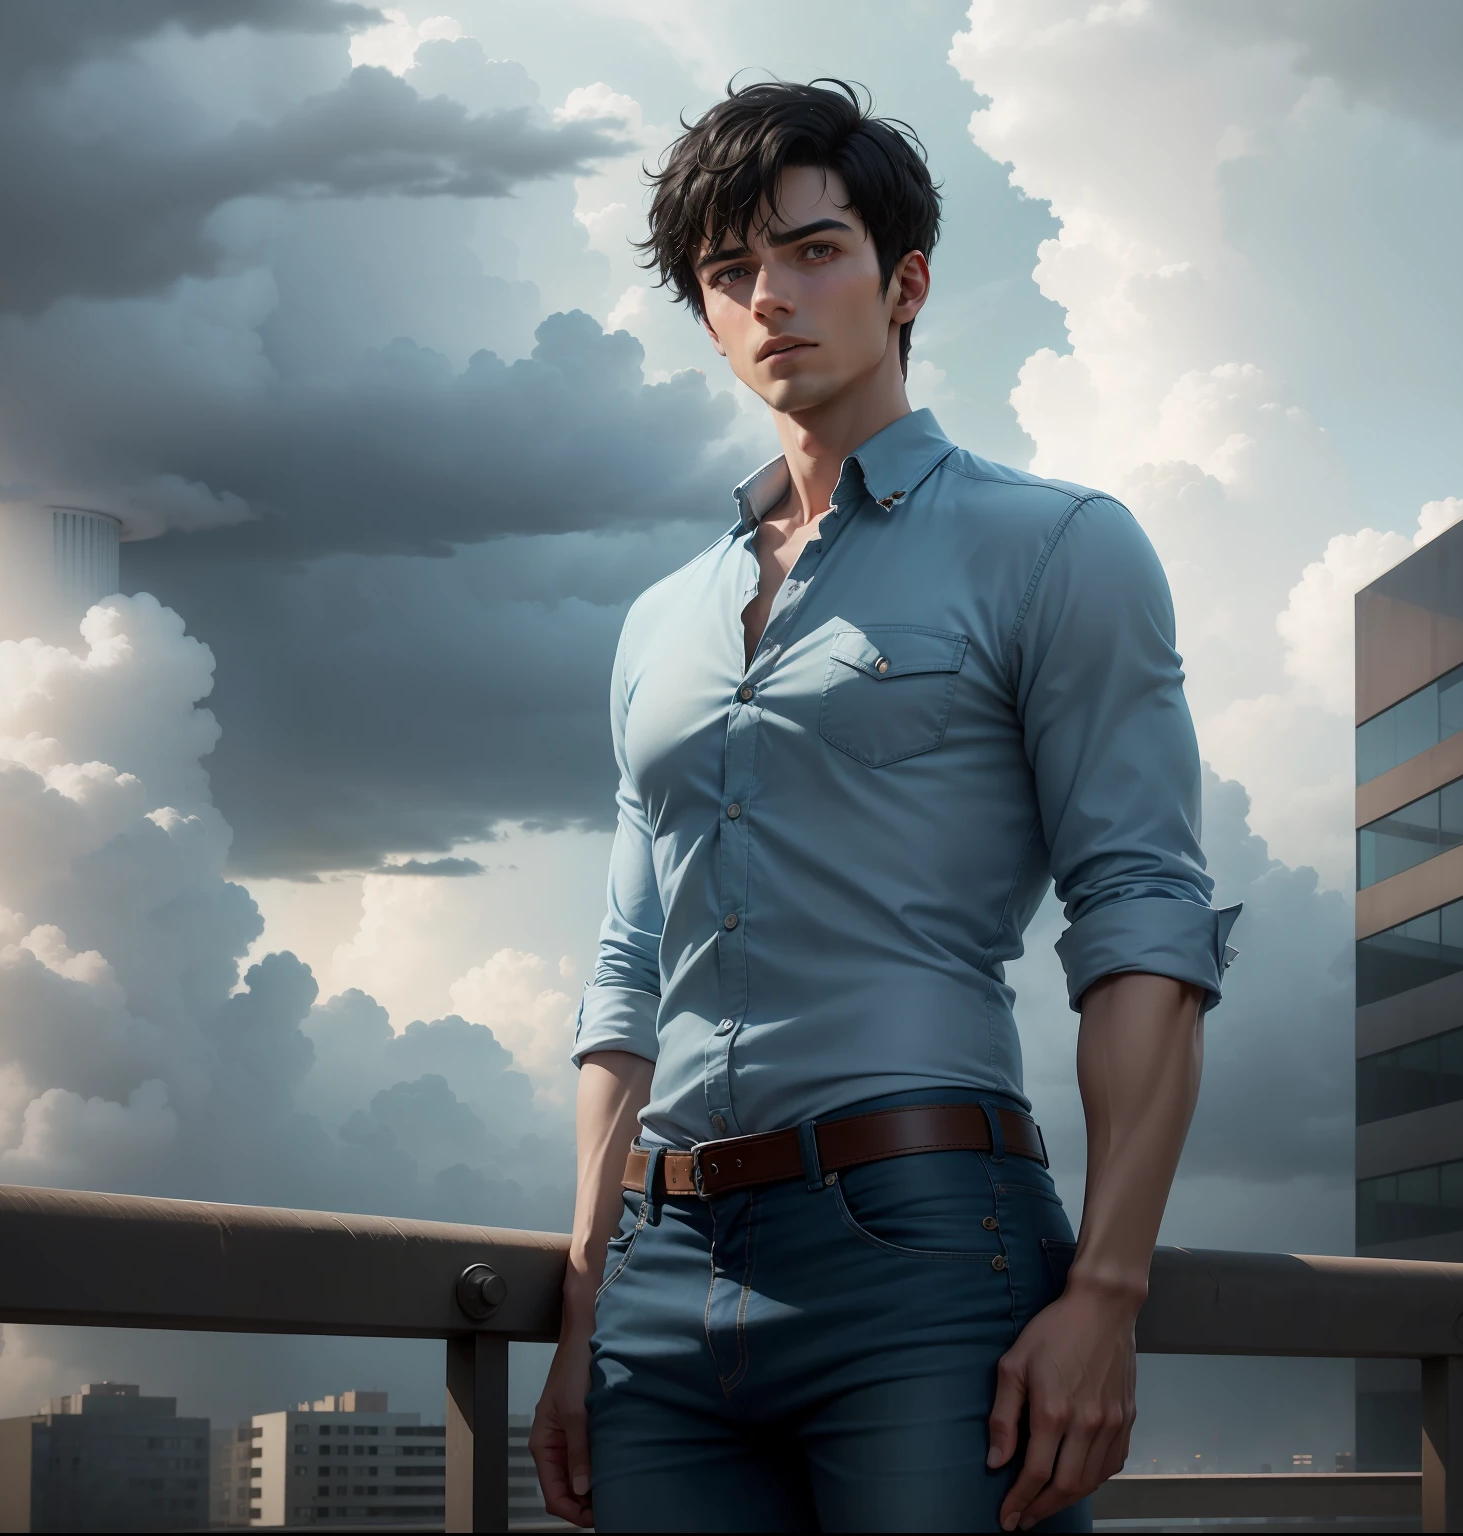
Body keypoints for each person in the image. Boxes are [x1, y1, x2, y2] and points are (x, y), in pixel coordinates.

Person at [528, 78, 1237, 1534]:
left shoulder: (1058, 547)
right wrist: (587, 1309)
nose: (773, 297)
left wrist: (1107, 1293)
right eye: (732, 275)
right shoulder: (661, 621)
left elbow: (1143, 918)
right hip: (662, 1287)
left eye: (814, 251)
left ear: (905, 279)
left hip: (919, 1245)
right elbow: (623, 980)